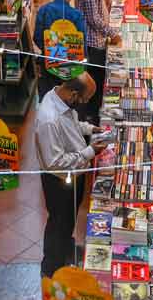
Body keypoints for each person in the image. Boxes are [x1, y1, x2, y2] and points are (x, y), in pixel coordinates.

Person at [36, 73, 107, 277]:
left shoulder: (59, 98)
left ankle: (64, 250)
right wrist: (90, 151)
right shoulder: (49, 119)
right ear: (74, 94)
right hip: (59, 180)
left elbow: (72, 125)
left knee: (67, 220)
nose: (84, 104)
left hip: (73, 174)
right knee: (59, 221)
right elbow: (55, 163)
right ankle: (52, 268)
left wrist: (90, 128)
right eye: (84, 100)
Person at [74, 0, 122, 125]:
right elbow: (94, 18)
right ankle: (91, 118)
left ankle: (91, 115)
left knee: (96, 79)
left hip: (94, 40)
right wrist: (112, 33)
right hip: (92, 43)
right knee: (95, 81)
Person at [34, 0, 87, 99]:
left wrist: (49, 50)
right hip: (70, 67)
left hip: (48, 64)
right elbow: (82, 43)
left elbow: (36, 37)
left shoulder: (43, 10)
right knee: (67, 99)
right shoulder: (77, 15)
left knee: (48, 98)